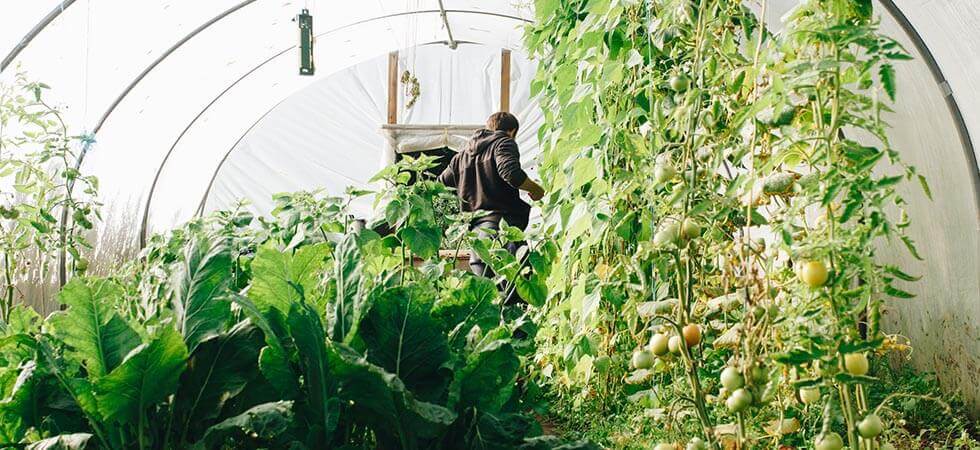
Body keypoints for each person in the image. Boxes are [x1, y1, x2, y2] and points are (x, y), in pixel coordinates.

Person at [437, 112, 544, 296]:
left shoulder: (461, 156)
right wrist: (536, 189)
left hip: (477, 240)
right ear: (511, 131)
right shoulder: (503, 142)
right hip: (502, 232)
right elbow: (511, 173)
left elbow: (438, 184)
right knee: (517, 297)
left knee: (492, 300)